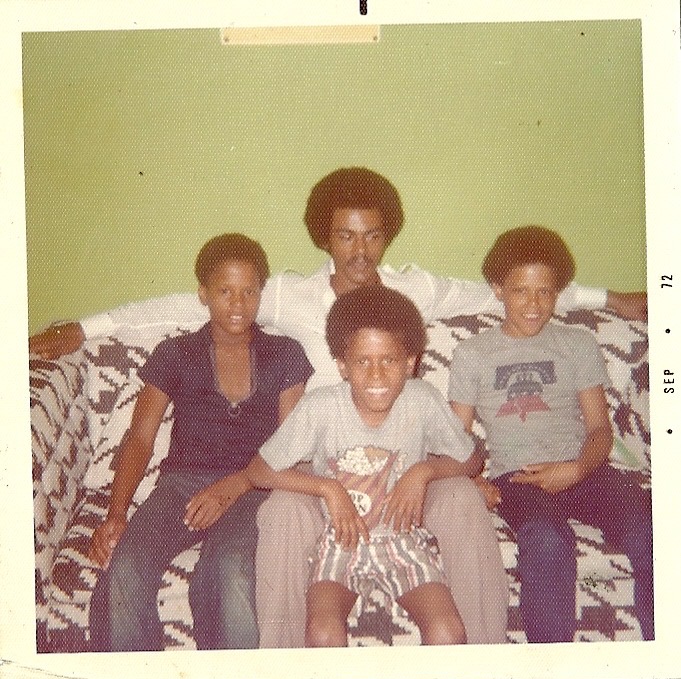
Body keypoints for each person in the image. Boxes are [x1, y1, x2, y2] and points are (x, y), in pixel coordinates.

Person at [29, 167, 646, 647]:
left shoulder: (413, 288)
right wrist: (86, 328)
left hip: (408, 462)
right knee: (283, 510)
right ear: (325, 236)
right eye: (346, 235)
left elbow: (506, 291)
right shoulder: (288, 295)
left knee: (460, 497)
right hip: (317, 465)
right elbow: (183, 306)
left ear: (387, 234)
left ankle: (481, 663)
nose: (360, 249)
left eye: (372, 234)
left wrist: (613, 299)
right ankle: (282, 668)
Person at [87, 233, 313, 651]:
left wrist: (237, 485)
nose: (238, 303)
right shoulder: (175, 353)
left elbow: (290, 449)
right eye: (225, 291)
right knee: (125, 569)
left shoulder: (285, 354)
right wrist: (116, 513)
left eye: (249, 291)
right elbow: (139, 439)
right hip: (182, 488)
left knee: (230, 570)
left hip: (255, 488)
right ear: (203, 294)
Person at [448, 225, 654, 643]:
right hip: (518, 477)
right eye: (521, 291)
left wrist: (577, 469)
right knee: (547, 539)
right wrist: (472, 481)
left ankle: (665, 651)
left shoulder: (577, 344)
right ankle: (550, 662)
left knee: (650, 526)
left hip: (583, 469)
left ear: (558, 292)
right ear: (498, 290)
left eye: (545, 292)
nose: (534, 304)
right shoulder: (473, 353)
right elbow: (455, 438)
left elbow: (600, 429)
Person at [246, 285, 482, 646]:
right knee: (323, 632)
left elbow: (472, 458)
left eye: (389, 360)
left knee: (448, 632)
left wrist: (424, 471)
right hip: (339, 543)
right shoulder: (321, 406)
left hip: (402, 541)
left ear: (410, 363)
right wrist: (328, 488)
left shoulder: (422, 400)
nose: (376, 375)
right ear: (342, 365)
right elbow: (259, 470)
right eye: (362, 362)